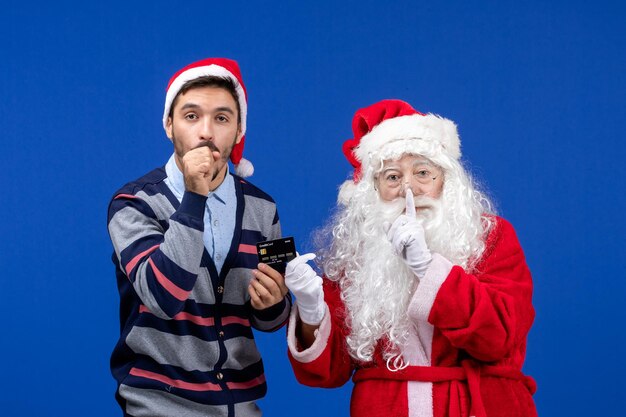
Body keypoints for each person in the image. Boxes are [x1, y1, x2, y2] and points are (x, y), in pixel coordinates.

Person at [284, 99, 537, 417]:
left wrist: (427, 267)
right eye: (392, 177)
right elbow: (329, 372)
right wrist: (311, 310)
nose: (409, 188)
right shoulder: (356, 252)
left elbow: (498, 337)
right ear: (373, 190)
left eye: (422, 172)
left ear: (445, 180)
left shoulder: (490, 236)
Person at [107, 58, 290, 417]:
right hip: (159, 403)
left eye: (222, 118)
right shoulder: (133, 203)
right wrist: (194, 197)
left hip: (242, 405)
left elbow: (275, 319)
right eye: (191, 116)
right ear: (168, 125)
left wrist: (273, 303)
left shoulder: (263, 208)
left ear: (239, 131)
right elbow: (163, 296)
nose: (206, 132)